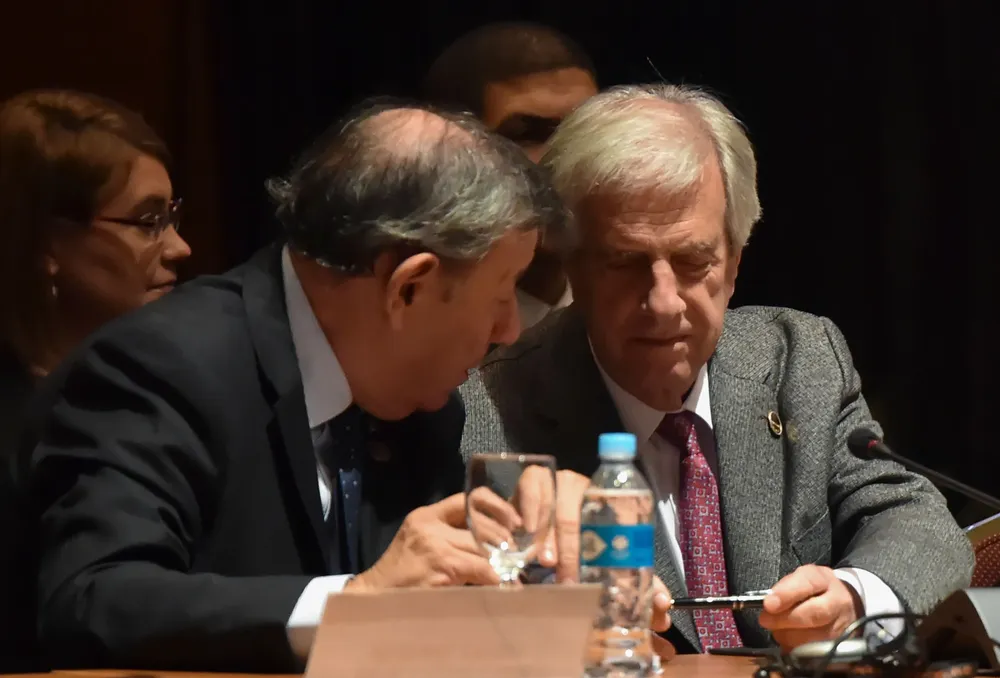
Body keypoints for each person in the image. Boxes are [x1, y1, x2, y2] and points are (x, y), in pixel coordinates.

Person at [11, 99, 569, 671]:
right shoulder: (160, 368)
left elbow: (433, 609)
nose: (511, 328)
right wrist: (356, 603)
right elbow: (91, 600)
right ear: (409, 288)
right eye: (502, 292)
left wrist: (550, 570)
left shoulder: (421, 400)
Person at [460, 83, 973, 655]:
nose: (664, 302)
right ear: (572, 266)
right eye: (626, 263)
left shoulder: (800, 359)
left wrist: (853, 599)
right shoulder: (489, 414)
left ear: (734, 263)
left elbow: (915, 519)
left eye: (692, 261)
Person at [0, 89, 191, 671]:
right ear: (48, 244)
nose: (182, 248)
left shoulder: (169, 388)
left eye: (173, 217)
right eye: (148, 222)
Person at [424, 22, 598, 332]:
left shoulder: (636, 310)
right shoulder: (411, 333)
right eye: (528, 135)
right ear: (451, 155)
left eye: (585, 130)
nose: (570, 157)